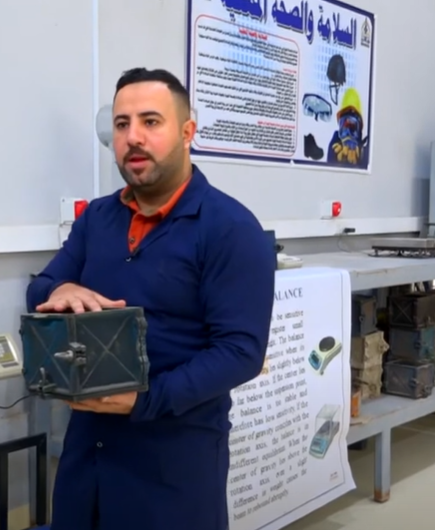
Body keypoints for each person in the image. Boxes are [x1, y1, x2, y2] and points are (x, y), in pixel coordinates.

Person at [25, 67, 276, 529]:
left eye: (151, 122)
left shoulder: (231, 229)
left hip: (174, 465)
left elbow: (241, 351)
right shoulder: (97, 219)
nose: (133, 137)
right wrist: (61, 289)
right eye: (122, 124)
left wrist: (144, 399)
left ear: (187, 132)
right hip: (87, 456)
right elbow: (40, 287)